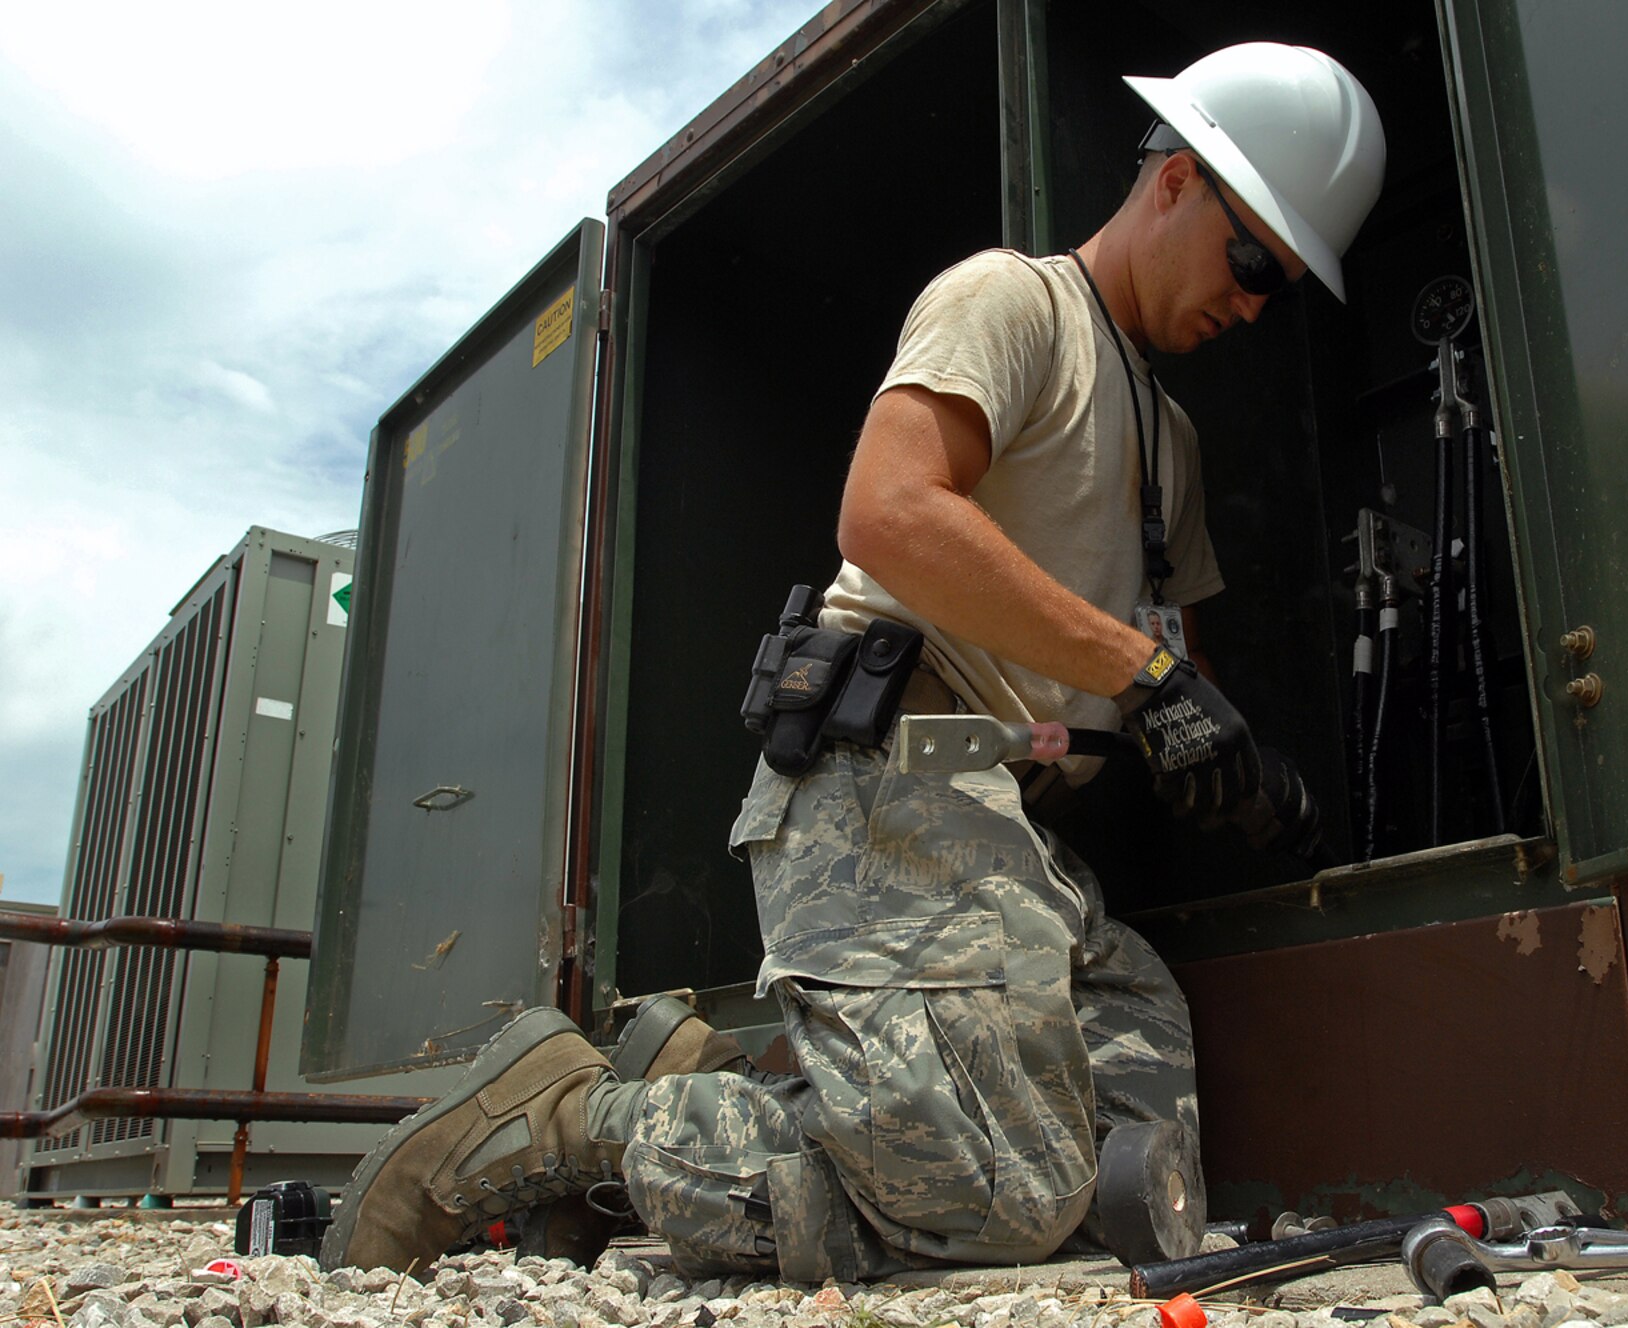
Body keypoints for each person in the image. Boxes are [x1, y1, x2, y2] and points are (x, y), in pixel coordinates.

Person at [321, 41, 1385, 1282]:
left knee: (1132, 1140)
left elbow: (1159, 661)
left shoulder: (1171, 441)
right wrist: (1150, 686)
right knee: (994, 1207)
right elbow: (887, 513)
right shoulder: (1013, 304)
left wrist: (1225, 752)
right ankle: (566, 1113)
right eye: (1252, 257)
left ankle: (716, 1092)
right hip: (888, 783)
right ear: (1174, 181)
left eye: (1284, 287)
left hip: (1006, 838)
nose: (1253, 302)